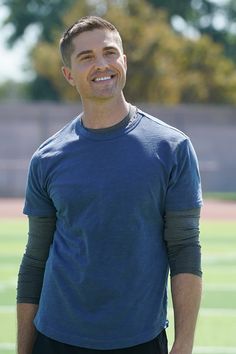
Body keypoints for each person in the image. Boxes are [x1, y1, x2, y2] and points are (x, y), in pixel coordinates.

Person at [17, 16, 203, 354]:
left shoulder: (172, 148)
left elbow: (184, 249)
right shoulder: (47, 158)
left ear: (123, 61)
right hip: (56, 339)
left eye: (109, 52)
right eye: (86, 57)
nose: (101, 64)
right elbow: (35, 260)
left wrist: (184, 343)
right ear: (69, 75)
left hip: (141, 341)